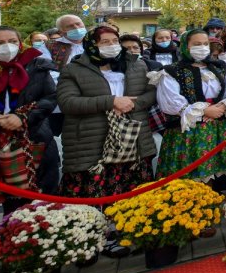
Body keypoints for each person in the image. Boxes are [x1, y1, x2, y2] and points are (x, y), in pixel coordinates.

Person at [0, 27, 58, 239]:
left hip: (30, 137)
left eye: (12, 41)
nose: (6, 47)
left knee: (23, 201)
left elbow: (50, 98)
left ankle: (18, 244)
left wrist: (23, 117)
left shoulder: (36, 65)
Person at [57, 25, 157, 216]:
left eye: (115, 41)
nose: (112, 45)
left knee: (135, 203)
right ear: (92, 45)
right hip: (92, 144)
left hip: (132, 142)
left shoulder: (137, 65)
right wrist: (111, 102)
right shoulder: (74, 69)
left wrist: (131, 104)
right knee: (92, 206)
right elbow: (67, 102)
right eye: (105, 42)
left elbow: (151, 93)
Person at [153, 29, 226, 185]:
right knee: (188, 181)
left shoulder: (220, 67)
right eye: (197, 44)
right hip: (187, 132)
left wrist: (223, 105)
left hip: (218, 128)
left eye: (205, 44)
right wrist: (204, 111)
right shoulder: (172, 71)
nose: (202, 47)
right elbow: (170, 101)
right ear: (186, 46)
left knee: (216, 179)